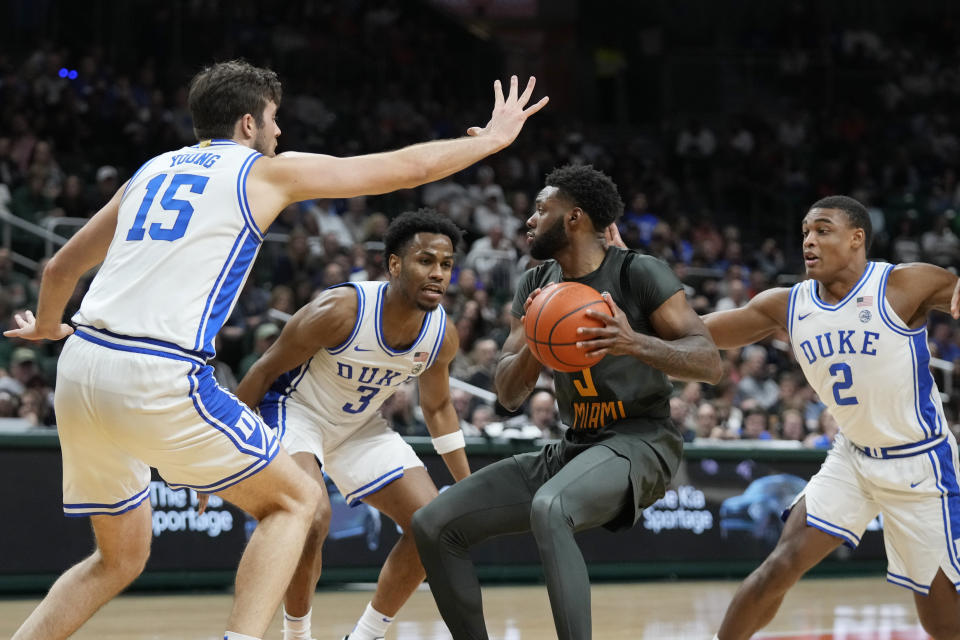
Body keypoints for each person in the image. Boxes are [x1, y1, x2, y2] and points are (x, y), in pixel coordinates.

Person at [2, 60, 547, 640]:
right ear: (246, 123)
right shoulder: (263, 173)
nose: (279, 132)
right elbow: (397, 169)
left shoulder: (151, 170)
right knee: (298, 502)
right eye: (273, 119)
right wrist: (490, 140)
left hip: (81, 364)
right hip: (156, 369)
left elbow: (61, 265)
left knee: (120, 559)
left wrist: (47, 328)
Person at [411, 164, 722, 640]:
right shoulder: (534, 285)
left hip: (643, 441)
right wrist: (537, 340)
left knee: (550, 507)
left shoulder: (638, 272)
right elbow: (509, 396)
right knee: (434, 523)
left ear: (574, 217)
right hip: (576, 446)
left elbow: (708, 362)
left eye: (541, 209)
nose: (529, 221)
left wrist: (632, 341)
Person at [702, 195, 960, 640]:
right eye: (805, 231)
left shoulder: (903, 285)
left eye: (823, 230)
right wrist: (636, 286)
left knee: (942, 620)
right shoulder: (787, 304)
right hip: (853, 458)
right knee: (778, 567)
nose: (809, 240)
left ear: (857, 238)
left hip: (921, 465)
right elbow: (697, 332)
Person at [220, 209, 471, 640]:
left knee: (433, 525)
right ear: (395, 264)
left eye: (446, 265)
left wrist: (467, 485)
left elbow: (439, 407)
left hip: (358, 427)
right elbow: (262, 372)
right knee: (313, 517)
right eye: (425, 261)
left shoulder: (440, 334)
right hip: (296, 411)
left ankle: (365, 636)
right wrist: (222, 458)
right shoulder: (341, 310)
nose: (438, 274)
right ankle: (297, 635)